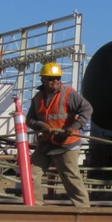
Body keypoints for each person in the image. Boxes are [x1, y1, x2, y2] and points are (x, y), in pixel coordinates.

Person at [25, 62, 92, 207]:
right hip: (46, 144)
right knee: (31, 175)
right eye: (51, 78)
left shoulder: (69, 94)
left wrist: (74, 127)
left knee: (70, 177)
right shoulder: (37, 98)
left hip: (66, 144)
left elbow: (87, 109)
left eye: (57, 77)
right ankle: (34, 207)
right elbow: (29, 120)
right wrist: (40, 125)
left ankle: (83, 208)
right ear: (43, 79)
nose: (55, 80)